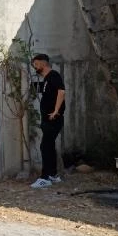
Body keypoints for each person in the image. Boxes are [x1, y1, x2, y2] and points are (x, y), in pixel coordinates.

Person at [30, 53, 66, 189]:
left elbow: (61, 92)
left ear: (43, 63)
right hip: (48, 119)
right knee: (49, 146)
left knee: (45, 146)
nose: (35, 67)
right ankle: (53, 175)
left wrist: (56, 110)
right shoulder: (46, 79)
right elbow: (48, 92)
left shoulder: (53, 75)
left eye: (36, 64)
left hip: (53, 118)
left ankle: (45, 177)